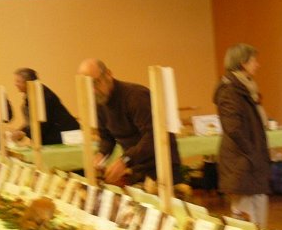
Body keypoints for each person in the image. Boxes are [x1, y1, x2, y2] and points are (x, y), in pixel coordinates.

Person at [76, 58, 181, 186]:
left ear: (108, 74)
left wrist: (125, 160)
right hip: (136, 167)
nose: (93, 90)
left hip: (161, 165)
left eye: (96, 82)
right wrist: (101, 154)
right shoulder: (99, 102)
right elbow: (107, 138)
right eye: (88, 86)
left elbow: (153, 136)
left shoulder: (135, 97)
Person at [214, 44, 271, 229]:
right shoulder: (230, 91)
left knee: (257, 218)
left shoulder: (246, 88)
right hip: (242, 162)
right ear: (242, 63)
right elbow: (234, 128)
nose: (258, 64)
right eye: (253, 60)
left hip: (249, 161)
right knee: (246, 222)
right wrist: (252, 153)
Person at [11, 68, 80, 146]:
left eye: (18, 81)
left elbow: (41, 121)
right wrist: (21, 131)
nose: (15, 84)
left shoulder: (42, 95)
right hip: (56, 136)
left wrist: (23, 132)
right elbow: (33, 120)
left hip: (65, 136)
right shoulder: (33, 94)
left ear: (27, 82)